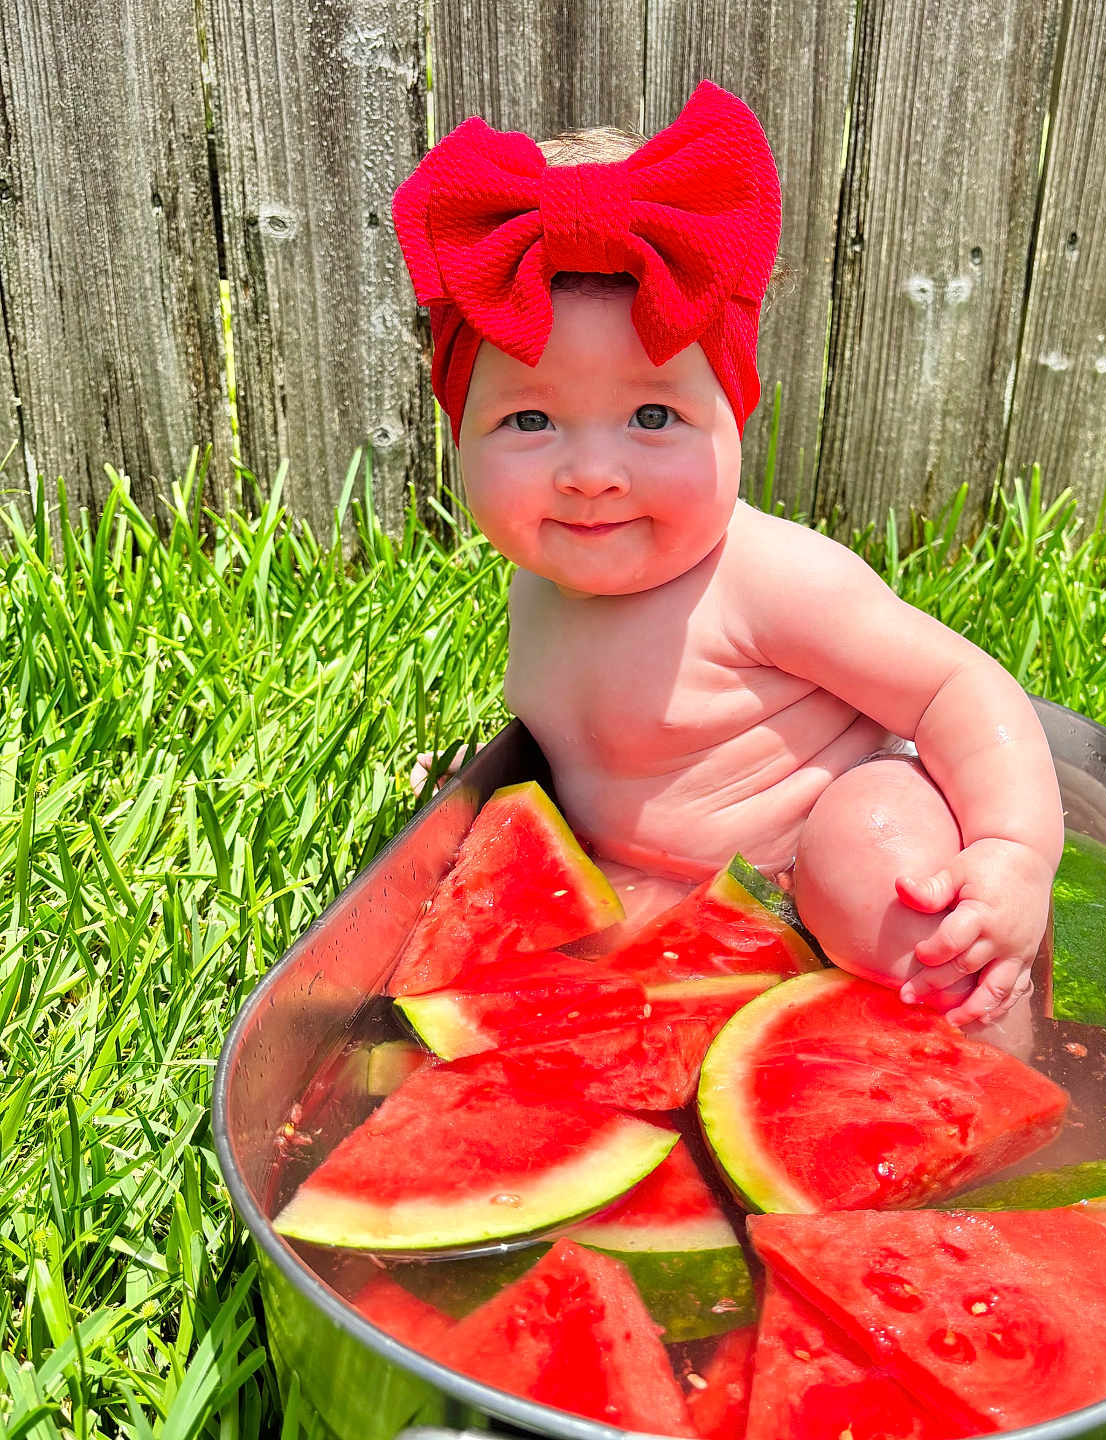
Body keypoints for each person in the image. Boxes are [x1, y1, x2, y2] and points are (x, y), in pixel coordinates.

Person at [392, 81, 1064, 1026]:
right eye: (530, 420)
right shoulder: (536, 585)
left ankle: (990, 1043)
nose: (593, 475)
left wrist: (1011, 851)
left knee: (881, 879)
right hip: (668, 892)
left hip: (826, 839)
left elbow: (955, 688)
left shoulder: (771, 579)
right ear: (458, 432)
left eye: (652, 414)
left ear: (732, 413)